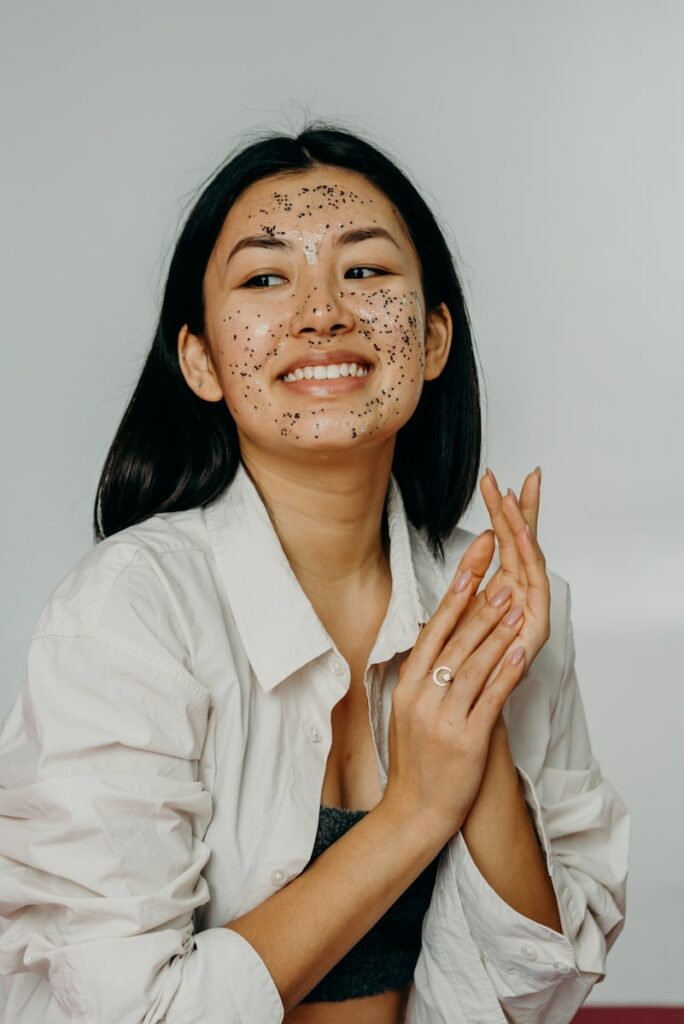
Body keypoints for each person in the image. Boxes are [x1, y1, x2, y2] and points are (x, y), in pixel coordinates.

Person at [0, 123, 629, 1024]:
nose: (323, 311)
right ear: (201, 361)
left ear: (435, 336)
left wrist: (477, 730)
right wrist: (412, 813)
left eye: (366, 271)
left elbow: (539, 993)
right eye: (264, 278)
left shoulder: (509, 604)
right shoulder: (129, 610)